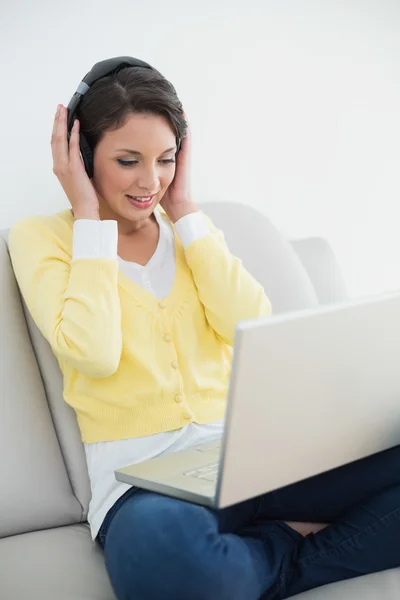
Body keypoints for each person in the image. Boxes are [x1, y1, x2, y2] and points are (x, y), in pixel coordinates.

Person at [9, 58, 400, 600]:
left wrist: (187, 211)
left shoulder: (192, 232)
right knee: (170, 565)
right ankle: (284, 554)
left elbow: (253, 326)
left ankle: (256, 562)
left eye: (166, 159)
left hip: (250, 465)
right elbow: (94, 352)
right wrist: (88, 220)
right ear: (81, 155)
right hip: (143, 489)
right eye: (128, 161)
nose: (151, 181)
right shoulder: (41, 238)